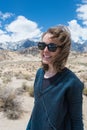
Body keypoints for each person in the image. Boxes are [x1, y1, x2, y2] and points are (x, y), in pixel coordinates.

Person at [26, 25, 84, 130]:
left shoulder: (72, 83)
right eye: (42, 45)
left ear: (62, 51)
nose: (45, 50)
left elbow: (76, 121)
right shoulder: (39, 73)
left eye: (52, 47)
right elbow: (37, 108)